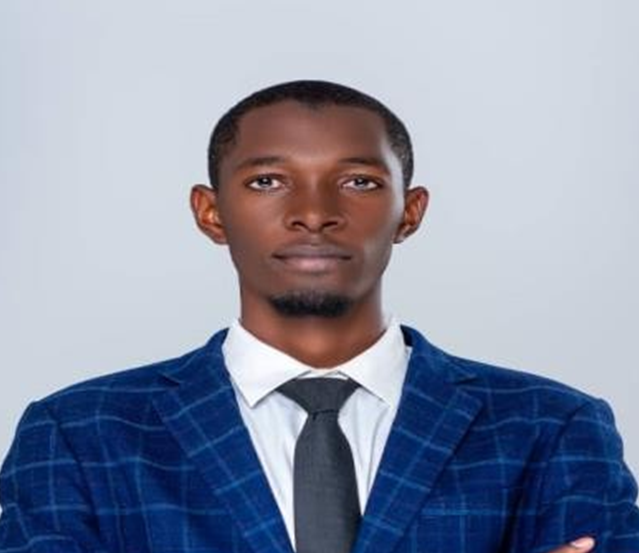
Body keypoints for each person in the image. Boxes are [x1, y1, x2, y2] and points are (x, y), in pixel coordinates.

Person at [0, 80, 637, 553]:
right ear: (210, 213)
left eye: (359, 181)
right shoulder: (80, 434)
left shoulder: (549, 428)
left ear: (410, 212)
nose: (313, 213)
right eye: (267, 181)